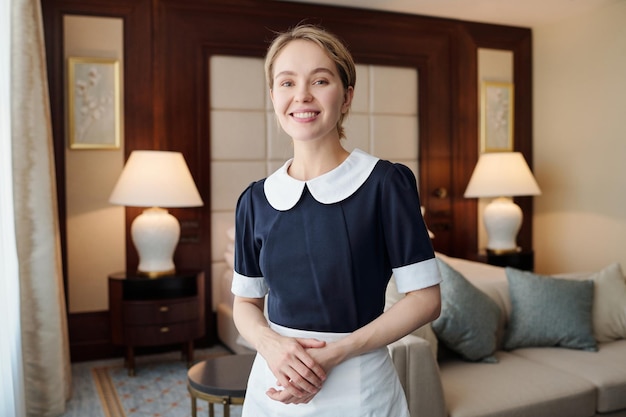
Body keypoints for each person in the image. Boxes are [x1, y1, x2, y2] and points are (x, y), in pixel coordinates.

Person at [231, 23, 442, 417]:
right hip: (272, 387)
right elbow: (245, 301)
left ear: (346, 97)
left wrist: (337, 353)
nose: (302, 96)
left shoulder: (385, 184)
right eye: (287, 83)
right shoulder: (255, 199)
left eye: (320, 80)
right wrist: (270, 344)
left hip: (359, 388)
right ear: (273, 96)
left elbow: (426, 300)